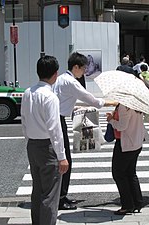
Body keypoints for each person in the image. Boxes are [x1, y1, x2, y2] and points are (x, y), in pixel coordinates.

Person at [53, 52, 116, 210]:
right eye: (83, 69)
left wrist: (76, 108)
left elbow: (63, 103)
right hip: (58, 122)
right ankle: (60, 199)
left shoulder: (61, 79)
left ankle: (61, 195)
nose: (84, 72)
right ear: (75, 67)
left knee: (62, 160)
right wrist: (110, 103)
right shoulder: (70, 82)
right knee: (65, 160)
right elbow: (91, 99)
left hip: (57, 119)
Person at [21, 55, 69, 225]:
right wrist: (62, 156)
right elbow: (55, 129)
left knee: (38, 190)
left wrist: (29, 140)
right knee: (50, 195)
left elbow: (24, 121)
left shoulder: (28, 92)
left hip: (32, 145)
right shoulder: (50, 97)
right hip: (48, 147)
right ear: (55, 74)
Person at [106, 104, 145, 215]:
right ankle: (137, 202)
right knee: (130, 173)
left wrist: (111, 120)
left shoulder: (124, 106)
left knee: (118, 174)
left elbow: (122, 126)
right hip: (136, 142)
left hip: (125, 144)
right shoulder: (136, 104)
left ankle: (127, 205)